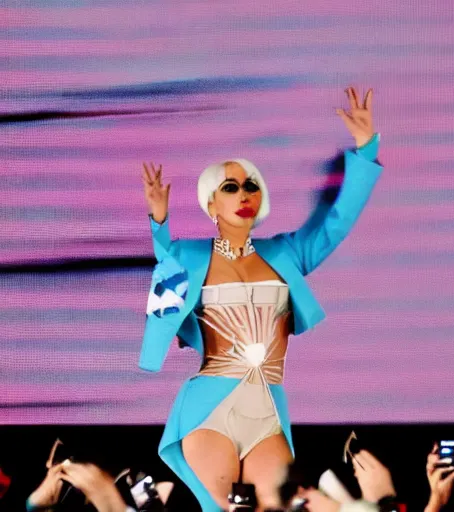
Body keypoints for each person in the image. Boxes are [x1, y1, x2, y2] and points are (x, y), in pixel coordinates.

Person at [139, 86, 384, 511]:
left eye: (250, 185)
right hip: (208, 405)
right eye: (230, 186)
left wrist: (366, 150)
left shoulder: (285, 254)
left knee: (281, 505)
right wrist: (159, 224)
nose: (244, 193)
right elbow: (167, 284)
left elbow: (335, 224)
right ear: (211, 203)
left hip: (268, 406)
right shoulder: (187, 256)